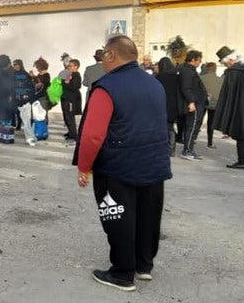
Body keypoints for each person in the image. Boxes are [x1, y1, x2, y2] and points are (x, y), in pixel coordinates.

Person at [74, 35, 172, 292]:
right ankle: (143, 265)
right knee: (148, 215)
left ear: (111, 55)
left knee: (117, 215)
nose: (102, 59)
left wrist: (84, 166)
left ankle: (122, 273)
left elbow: (93, 135)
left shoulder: (106, 87)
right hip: (154, 163)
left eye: (103, 54)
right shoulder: (154, 84)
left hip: (118, 166)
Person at [177, 51, 207, 160]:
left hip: (198, 102)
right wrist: (191, 102)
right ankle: (187, 150)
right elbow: (186, 88)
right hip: (195, 103)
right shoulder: (187, 71)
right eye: (199, 60)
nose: (200, 62)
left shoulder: (190, 70)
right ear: (193, 60)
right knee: (192, 127)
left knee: (194, 127)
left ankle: (190, 149)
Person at [155, 57, 181, 156]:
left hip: (162, 103)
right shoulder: (176, 77)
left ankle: (163, 147)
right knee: (170, 126)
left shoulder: (159, 77)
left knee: (162, 126)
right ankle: (172, 148)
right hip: (173, 104)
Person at [12, 59, 37, 146]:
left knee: (26, 116)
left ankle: (29, 133)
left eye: (16, 64)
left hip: (24, 97)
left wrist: (26, 95)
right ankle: (18, 126)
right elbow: (12, 85)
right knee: (18, 112)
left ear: (20, 65)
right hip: (16, 96)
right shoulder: (13, 74)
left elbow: (30, 86)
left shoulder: (25, 74)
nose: (15, 66)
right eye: (14, 65)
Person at [199, 62, 223, 150]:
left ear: (206, 69)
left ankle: (192, 139)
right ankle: (210, 142)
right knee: (211, 123)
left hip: (202, 102)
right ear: (215, 69)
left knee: (198, 121)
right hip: (214, 104)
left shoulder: (201, 78)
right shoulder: (220, 80)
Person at [61, 59, 82, 143]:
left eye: (70, 66)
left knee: (70, 117)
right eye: (68, 66)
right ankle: (70, 132)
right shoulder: (69, 74)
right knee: (66, 116)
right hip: (65, 98)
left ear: (76, 67)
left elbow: (74, 86)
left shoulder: (76, 75)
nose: (68, 67)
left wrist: (65, 82)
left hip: (70, 99)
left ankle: (74, 135)